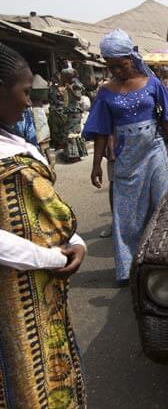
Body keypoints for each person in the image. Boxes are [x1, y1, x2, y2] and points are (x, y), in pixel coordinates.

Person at [0, 42, 87, 408]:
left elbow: (47, 206)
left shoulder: (14, 140)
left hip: (39, 296)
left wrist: (75, 241)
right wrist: (52, 259)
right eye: (23, 92)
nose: (28, 103)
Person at [83, 29, 168, 286]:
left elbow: (167, 121)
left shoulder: (154, 84)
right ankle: (127, 268)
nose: (117, 71)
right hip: (126, 157)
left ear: (132, 58)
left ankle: (163, 260)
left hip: (155, 151)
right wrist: (96, 166)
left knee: (162, 205)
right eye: (112, 67)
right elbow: (102, 131)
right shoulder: (105, 93)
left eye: (122, 65)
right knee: (126, 214)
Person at [49, 67, 89, 162]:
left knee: (72, 134)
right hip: (70, 112)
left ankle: (74, 155)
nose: (61, 78)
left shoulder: (75, 85)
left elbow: (78, 97)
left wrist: (70, 90)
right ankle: (74, 154)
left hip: (75, 112)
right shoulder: (68, 84)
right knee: (71, 133)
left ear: (68, 76)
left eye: (63, 76)